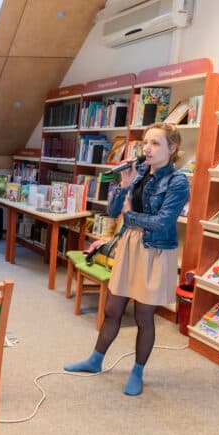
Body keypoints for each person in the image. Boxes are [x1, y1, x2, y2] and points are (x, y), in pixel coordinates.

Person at [64, 122, 190, 396]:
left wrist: (130, 215)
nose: (147, 148)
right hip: (130, 245)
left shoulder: (178, 181)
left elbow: (163, 221)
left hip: (155, 250)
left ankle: (137, 372)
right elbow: (112, 211)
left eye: (155, 143)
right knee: (113, 309)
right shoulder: (139, 171)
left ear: (172, 148)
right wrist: (124, 184)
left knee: (144, 316)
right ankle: (95, 360)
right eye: (146, 142)